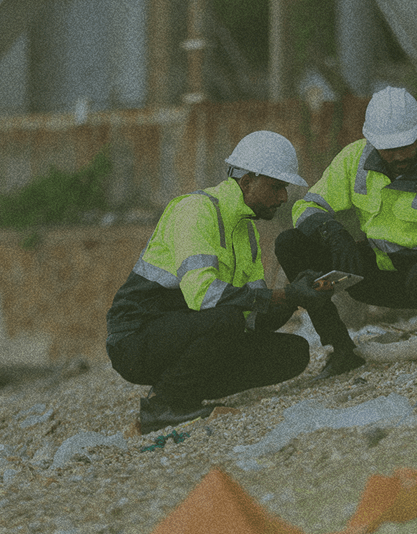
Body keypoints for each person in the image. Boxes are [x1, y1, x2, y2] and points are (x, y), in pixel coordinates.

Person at [105, 130, 336, 434]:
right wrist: (283, 294)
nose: (283, 197)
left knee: (293, 353)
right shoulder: (195, 211)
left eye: (285, 188)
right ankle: (163, 407)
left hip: (186, 329)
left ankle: (183, 395)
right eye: (276, 186)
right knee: (225, 316)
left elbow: (251, 315)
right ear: (246, 182)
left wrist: (297, 294)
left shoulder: (247, 229)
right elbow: (204, 297)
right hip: (135, 339)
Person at [276, 86, 417, 379]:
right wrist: (333, 233)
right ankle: (340, 349)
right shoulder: (354, 159)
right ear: (372, 141)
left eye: (405, 145)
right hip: (376, 275)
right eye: (388, 148)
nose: (397, 155)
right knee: (290, 243)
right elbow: (306, 206)